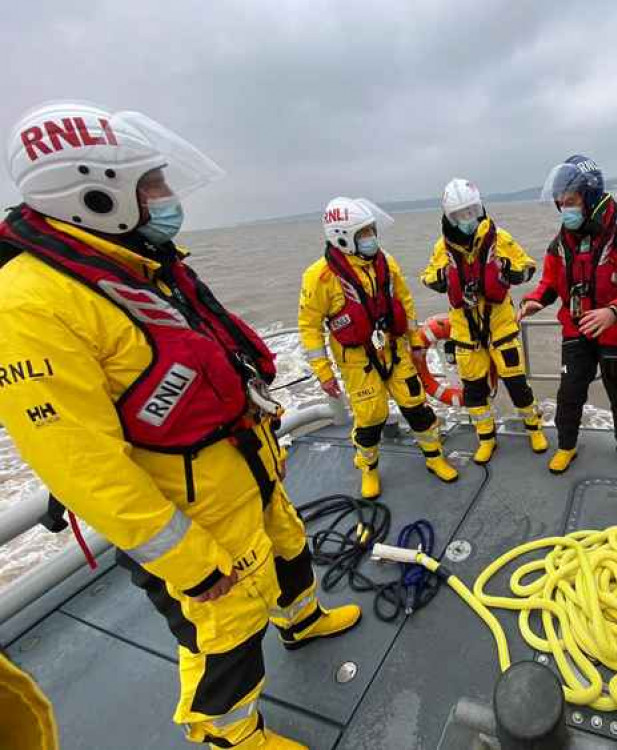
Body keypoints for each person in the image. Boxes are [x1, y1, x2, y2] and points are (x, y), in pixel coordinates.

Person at [0, 101, 360, 749]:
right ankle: (229, 735)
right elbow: (81, 466)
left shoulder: (134, 262)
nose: (167, 199)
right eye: (152, 187)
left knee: (287, 544)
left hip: (241, 466)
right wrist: (190, 563)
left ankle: (301, 620)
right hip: (189, 512)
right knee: (223, 629)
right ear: (94, 195)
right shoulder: (29, 304)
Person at [299, 197, 458, 499]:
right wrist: (323, 372)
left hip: (394, 348)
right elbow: (309, 327)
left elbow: (405, 300)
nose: (372, 238)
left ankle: (435, 457)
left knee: (416, 406)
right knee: (371, 417)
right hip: (357, 359)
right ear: (342, 237)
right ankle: (368, 469)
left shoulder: (386, 261)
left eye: (372, 230)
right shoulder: (318, 277)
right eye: (364, 233)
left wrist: (413, 341)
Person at [519, 155, 617, 474]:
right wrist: (534, 300)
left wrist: (614, 311)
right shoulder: (561, 241)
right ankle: (566, 446)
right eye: (560, 203)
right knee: (569, 395)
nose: (565, 209)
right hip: (576, 332)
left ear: (591, 195)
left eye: (570, 201)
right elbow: (549, 282)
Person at [421, 178, 548, 463]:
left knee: (517, 384)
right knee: (475, 392)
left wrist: (507, 270)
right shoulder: (442, 247)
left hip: (501, 325)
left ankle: (534, 429)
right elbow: (427, 276)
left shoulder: (499, 237)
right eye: (459, 215)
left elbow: (528, 266)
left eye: (471, 211)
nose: (467, 219)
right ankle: (486, 439)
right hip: (466, 332)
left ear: (479, 208)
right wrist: (444, 278)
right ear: (449, 217)